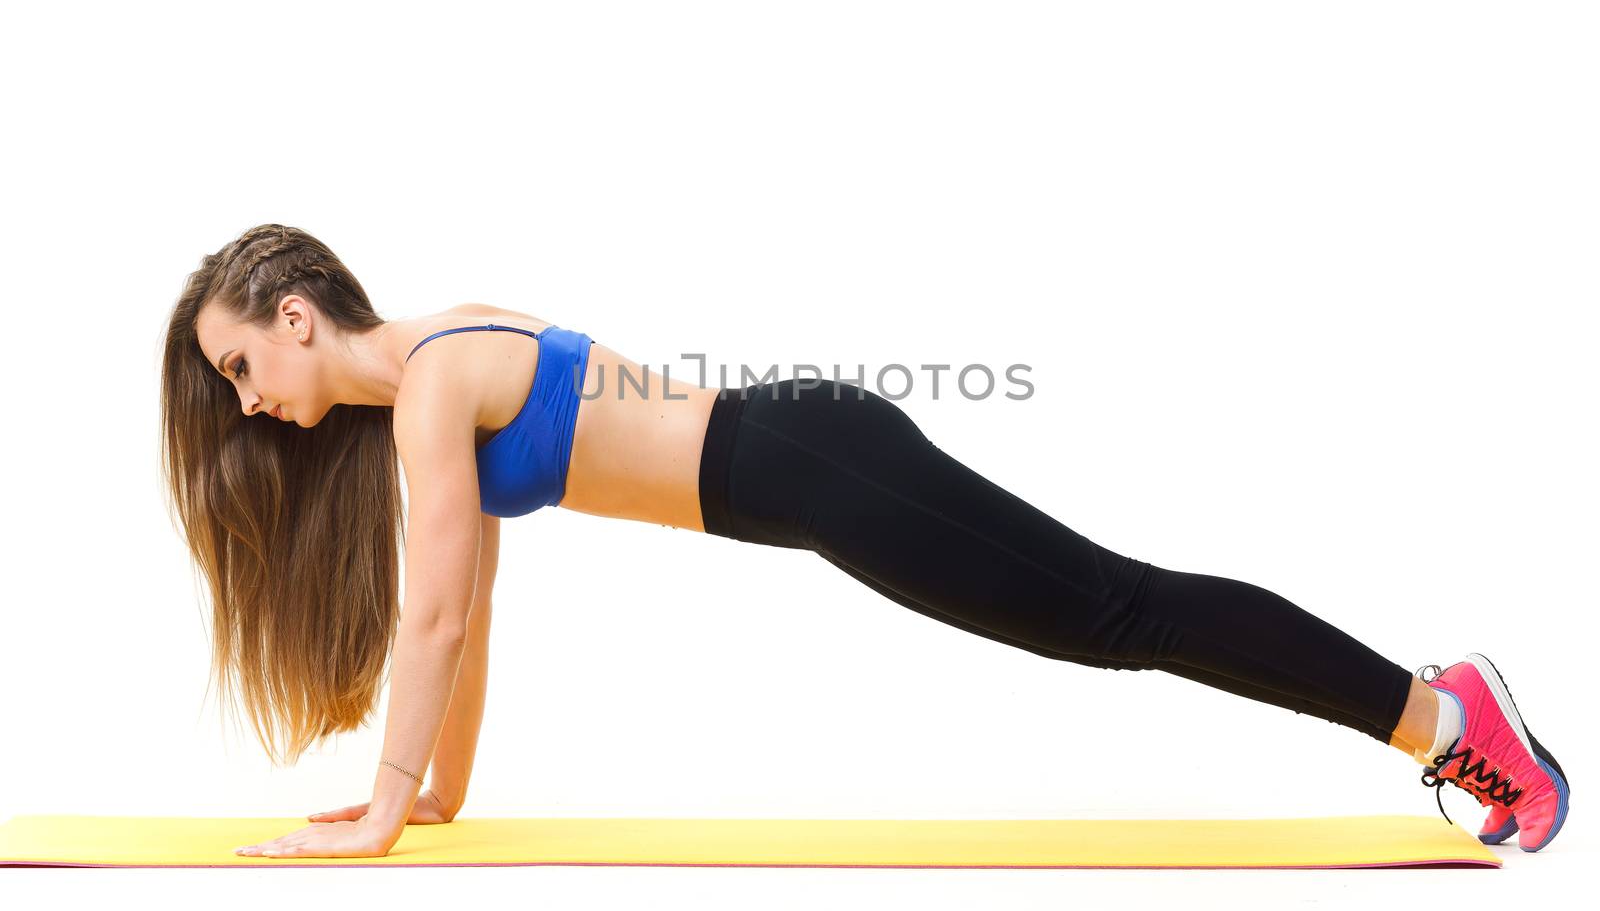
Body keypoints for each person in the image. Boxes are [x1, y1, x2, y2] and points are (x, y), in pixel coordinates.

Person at [163, 224, 1569, 860]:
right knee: (1117, 614)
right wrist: (435, 795)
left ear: (297, 313)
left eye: (240, 366)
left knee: (1120, 616)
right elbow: (460, 606)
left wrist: (386, 805)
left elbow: (437, 620)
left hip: (823, 472)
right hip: (813, 461)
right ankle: (1436, 712)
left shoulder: (431, 383)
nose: (252, 402)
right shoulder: (434, 372)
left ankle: (1444, 715)